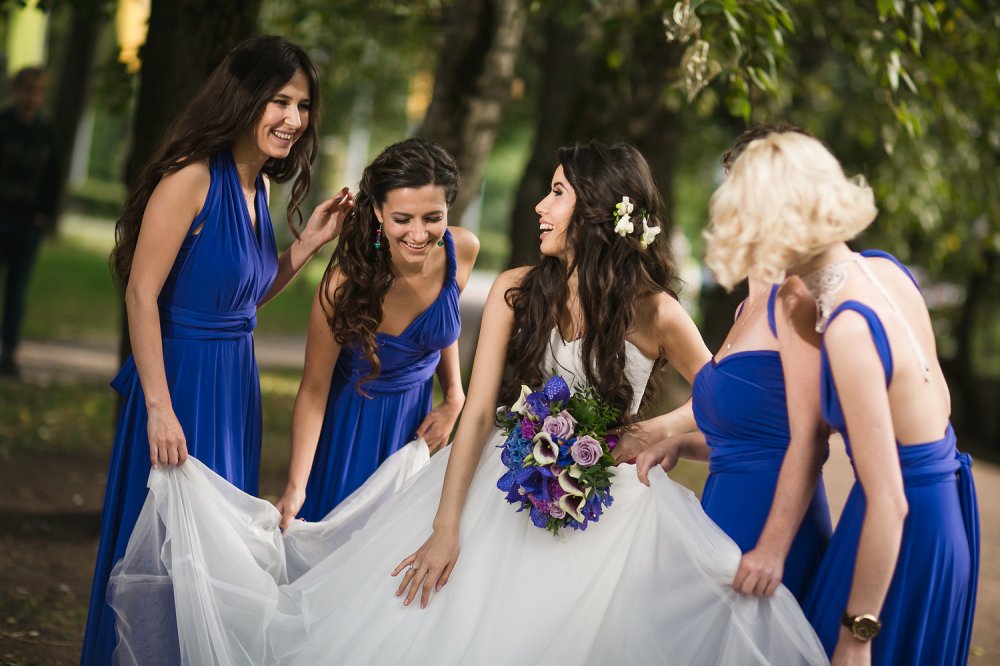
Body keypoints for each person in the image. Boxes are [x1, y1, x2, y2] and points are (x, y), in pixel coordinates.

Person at [107, 141, 830, 665]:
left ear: (594, 212)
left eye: (556, 193)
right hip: (500, 483)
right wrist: (446, 526)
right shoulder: (519, 289)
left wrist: (646, 433)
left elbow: (716, 401)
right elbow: (479, 413)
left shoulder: (658, 312)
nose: (540, 205)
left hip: (609, 507)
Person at [80, 36, 354, 665]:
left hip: (234, 388)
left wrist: (306, 246)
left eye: (302, 105)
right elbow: (141, 294)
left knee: (213, 558)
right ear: (243, 97)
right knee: (167, 552)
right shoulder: (192, 177)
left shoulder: (258, 189)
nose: (293, 118)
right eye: (279, 101)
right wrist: (158, 408)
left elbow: (242, 297)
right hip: (180, 385)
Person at [703, 131, 979, 665]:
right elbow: (938, 406)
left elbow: (890, 500)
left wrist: (857, 633)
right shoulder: (885, 272)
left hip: (896, 535)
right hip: (944, 519)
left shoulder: (850, 328)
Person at [634, 123, 833, 602]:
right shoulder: (749, 305)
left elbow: (809, 438)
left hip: (769, 532)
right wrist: (681, 443)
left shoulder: (795, 299)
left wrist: (773, 549)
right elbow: (755, 433)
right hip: (725, 512)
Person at [275, 138, 479, 526]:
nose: (418, 234)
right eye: (402, 219)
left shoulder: (463, 250)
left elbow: (441, 325)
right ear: (378, 212)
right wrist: (295, 486)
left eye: (432, 217)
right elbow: (313, 391)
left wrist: (454, 397)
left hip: (412, 434)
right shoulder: (343, 285)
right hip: (350, 433)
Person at [0, 66, 59, 377]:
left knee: (17, 288)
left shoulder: (46, 133)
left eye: (39, 91)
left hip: (28, 222)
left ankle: (9, 350)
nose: (33, 97)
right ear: (17, 90)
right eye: (29, 90)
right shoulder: (4, 125)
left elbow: (53, 177)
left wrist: (44, 215)